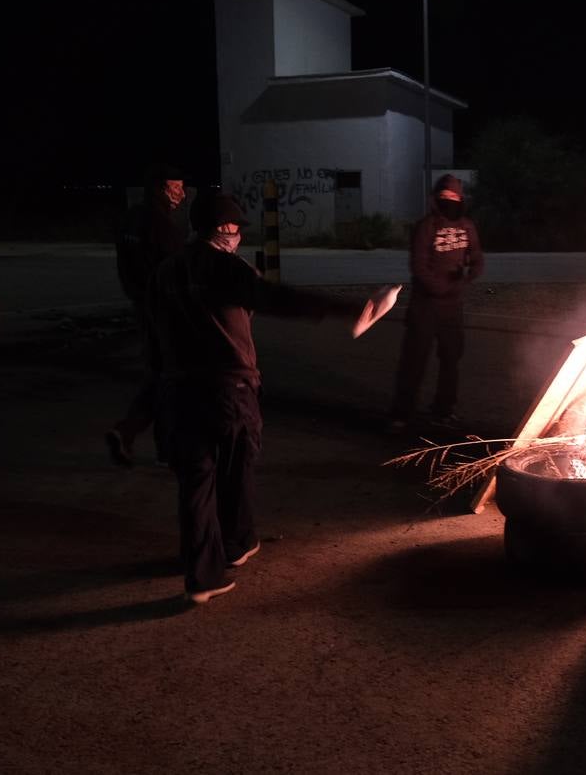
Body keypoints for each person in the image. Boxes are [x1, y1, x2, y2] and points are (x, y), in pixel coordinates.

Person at [148, 192, 398, 603]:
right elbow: (277, 298)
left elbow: (154, 338)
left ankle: (202, 574)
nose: (238, 235)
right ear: (226, 229)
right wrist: (355, 310)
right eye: (236, 228)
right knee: (236, 470)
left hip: (179, 392)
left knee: (196, 483)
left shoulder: (166, 272)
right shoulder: (225, 267)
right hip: (229, 390)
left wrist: (150, 404)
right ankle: (237, 542)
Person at [106, 165, 188, 467]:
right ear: (160, 189)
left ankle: (129, 432)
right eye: (176, 186)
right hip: (164, 313)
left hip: (142, 306)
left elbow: (125, 268)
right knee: (171, 378)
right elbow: (177, 274)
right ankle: (162, 445)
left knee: (159, 374)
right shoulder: (162, 227)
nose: (181, 193)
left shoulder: (130, 220)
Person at [389, 173, 484, 431]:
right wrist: (440, 287)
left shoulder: (467, 226)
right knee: (414, 360)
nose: (449, 201)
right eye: (444, 197)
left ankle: (443, 410)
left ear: (461, 199)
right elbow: (418, 265)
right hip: (425, 306)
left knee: (451, 358)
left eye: (453, 197)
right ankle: (402, 413)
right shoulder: (426, 226)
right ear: (436, 198)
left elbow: (477, 258)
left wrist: (468, 275)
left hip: (452, 308)